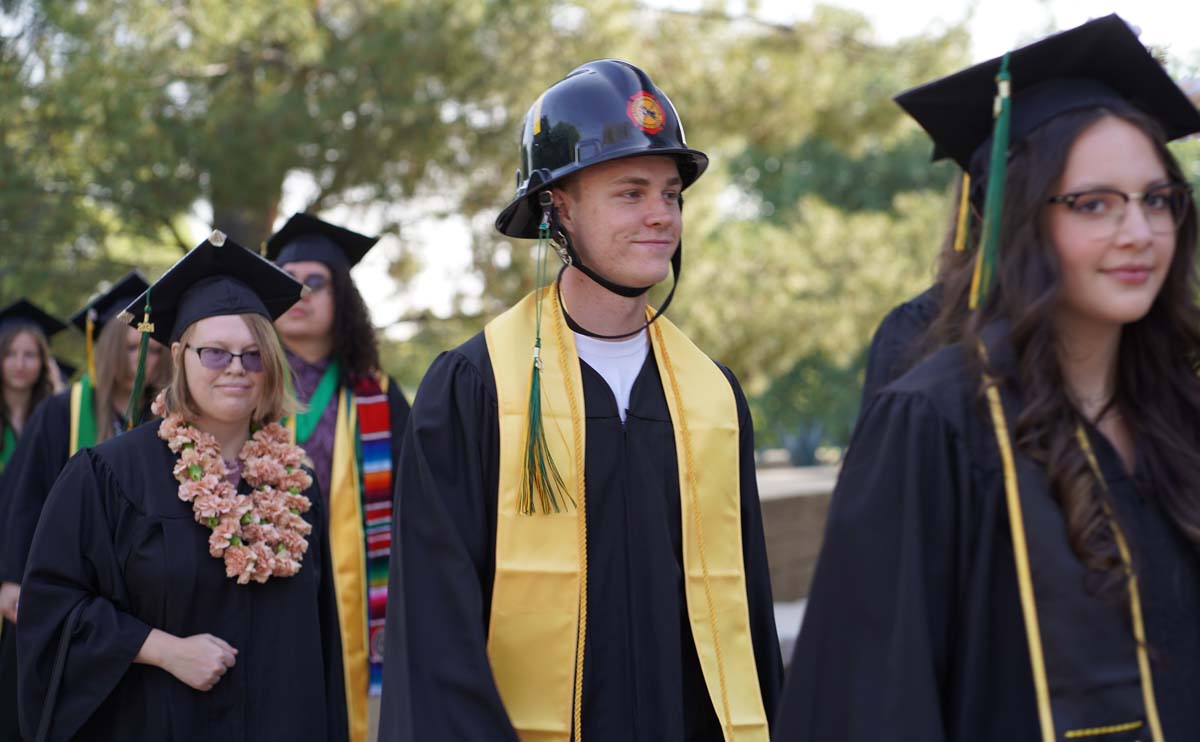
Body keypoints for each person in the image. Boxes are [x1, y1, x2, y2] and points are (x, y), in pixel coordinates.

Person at [775, 15, 1200, 741]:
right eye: (1094, 203)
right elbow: (873, 701)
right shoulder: (935, 424)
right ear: (1021, 218)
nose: (1138, 232)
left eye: (1157, 198)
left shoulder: (1181, 411)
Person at [378, 59, 782, 742]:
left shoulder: (711, 395)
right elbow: (436, 635)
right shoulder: (478, 387)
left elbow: (747, 624)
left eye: (671, 195)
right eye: (630, 193)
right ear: (558, 207)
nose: (660, 217)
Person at [16, 232, 347, 741]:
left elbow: (320, 641)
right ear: (178, 356)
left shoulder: (297, 484)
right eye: (215, 353)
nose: (236, 369)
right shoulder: (110, 474)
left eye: (254, 355)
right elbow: (53, 608)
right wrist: (160, 648)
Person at [264, 213, 411, 742]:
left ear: (341, 297)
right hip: (258, 582)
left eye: (315, 282)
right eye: (285, 281)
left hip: (353, 592)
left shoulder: (377, 396)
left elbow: (413, 506)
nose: (299, 293)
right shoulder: (240, 385)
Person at [0, 274, 171, 666]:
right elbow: (23, 496)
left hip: (139, 587)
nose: (143, 356)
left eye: (154, 350)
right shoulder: (63, 411)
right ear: (109, 349)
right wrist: (11, 577)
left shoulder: (166, 414)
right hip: (62, 578)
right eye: (130, 347)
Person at [0, 298, 64, 741]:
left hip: (28, 559)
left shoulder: (58, 417)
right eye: (9, 353)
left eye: (30, 354)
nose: (20, 364)